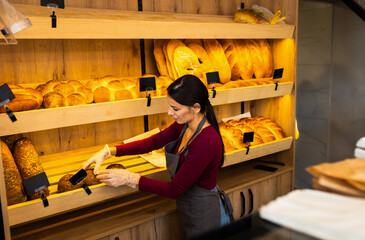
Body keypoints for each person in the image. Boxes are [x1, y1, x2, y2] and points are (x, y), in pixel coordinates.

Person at [83, 74, 233, 239]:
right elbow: (150, 143)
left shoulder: (207, 141)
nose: (170, 113)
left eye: (175, 108)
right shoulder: (183, 126)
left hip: (207, 215)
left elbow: (174, 189)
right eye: (170, 106)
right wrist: (110, 151)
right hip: (190, 208)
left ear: (196, 108)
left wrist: (130, 178)